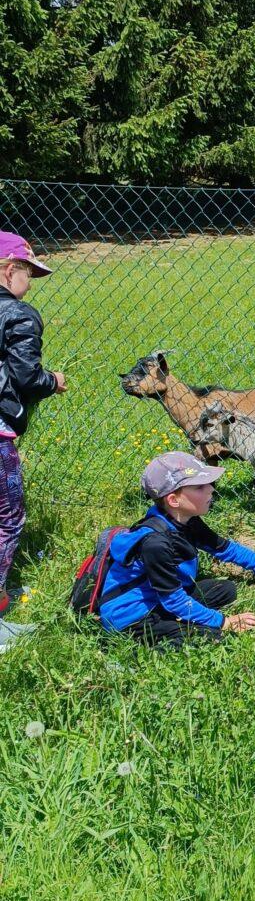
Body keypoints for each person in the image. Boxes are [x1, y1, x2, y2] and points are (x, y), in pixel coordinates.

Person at [97, 452, 255, 646]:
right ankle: (158, 640)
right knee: (213, 636)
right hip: (132, 616)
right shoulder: (156, 544)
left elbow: (226, 549)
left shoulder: (186, 521)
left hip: (159, 599)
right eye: (200, 486)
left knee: (226, 590)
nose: (211, 489)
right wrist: (224, 622)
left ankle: (181, 619)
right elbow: (174, 600)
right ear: (173, 500)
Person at [0, 232, 66, 650]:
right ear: (9, 270)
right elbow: (26, 377)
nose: (31, 282)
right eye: (29, 272)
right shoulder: (19, 314)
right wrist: (53, 381)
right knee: (7, 517)